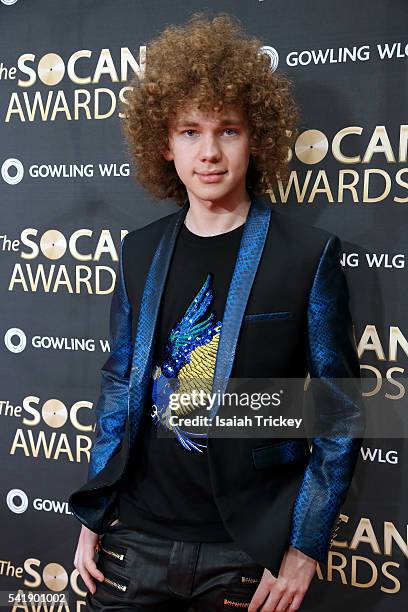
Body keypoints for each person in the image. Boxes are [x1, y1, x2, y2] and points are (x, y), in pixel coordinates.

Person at [69, 12, 364, 611]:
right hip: (133, 542)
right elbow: (120, 386)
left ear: (256, 139)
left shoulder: (308, 255)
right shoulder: (139, 250)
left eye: (228, 130)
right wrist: (95, 512)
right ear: (164, 142)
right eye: (189, 131)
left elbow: (339, 411)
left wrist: (305, 546)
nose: (209, 152)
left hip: (244, 553)